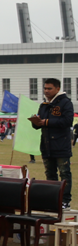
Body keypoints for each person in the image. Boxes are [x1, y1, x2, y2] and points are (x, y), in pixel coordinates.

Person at [30, 78, 74, 209]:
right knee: (50, 173)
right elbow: (38, 125)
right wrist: (36, 122)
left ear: (57, 89)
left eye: (49, 88)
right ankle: (53, 199)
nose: (46, 91)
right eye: (45, 88)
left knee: (64, 173)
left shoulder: (65, 103)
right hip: (46, 145)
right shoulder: (44, 105)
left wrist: (47, 122)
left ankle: (65, 200)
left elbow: (68, 121)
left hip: (61, 144)